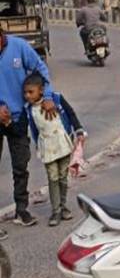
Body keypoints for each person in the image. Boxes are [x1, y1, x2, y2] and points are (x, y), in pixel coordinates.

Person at [0, 30, 57, 230]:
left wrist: (47, 95)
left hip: (18, 118)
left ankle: (21, 210)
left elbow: (40, 69)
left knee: (20, 166)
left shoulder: (19, 47)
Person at [23, 73, 85, 227]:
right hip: (48, 148)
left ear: (41, 90)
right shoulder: (30, 109)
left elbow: (70, 113)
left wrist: (78, 130)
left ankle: (64, 207)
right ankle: (56, 210)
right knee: (53, 177)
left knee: (63, 177)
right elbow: (34, 129)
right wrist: (37, 145)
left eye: (31, 92)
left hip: (63, 144)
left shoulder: (56, 99)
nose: (27, 96)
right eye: (25, 92)